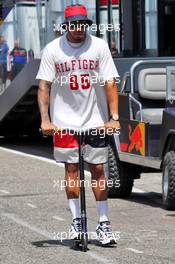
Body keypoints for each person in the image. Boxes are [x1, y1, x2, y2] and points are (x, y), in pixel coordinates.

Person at [36, 4, 120, 246]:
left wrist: (113, 117)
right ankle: (77, 220)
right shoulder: (53, 49)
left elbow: (110, 83)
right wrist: (45, 120)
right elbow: (44, 86)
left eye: (83, 24)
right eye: (74, 24)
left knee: (98, 170)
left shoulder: (99, 46)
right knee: (71, 170)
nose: (79, 29)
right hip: (63, 123)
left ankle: (104, 223)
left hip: (95, 120)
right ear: (66, 26)